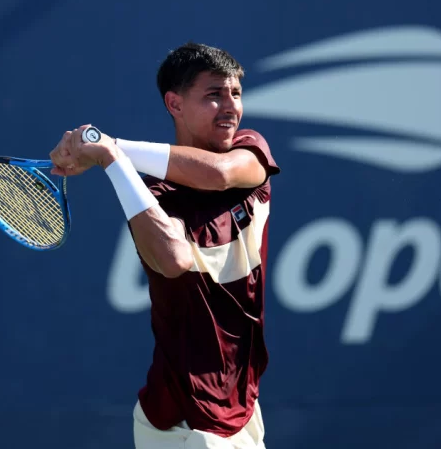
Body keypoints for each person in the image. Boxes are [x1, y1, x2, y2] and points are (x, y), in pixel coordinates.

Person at [49, 42, 281, 448]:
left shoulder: (249, 152)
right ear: (174, 104)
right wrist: (114, 164)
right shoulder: (152, 195)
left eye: (236, 94)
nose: (231, 107)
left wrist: (111, 147)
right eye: (213, 95)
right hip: (182, 422)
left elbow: (219, 176)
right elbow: (174, 260)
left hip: (242, 410)